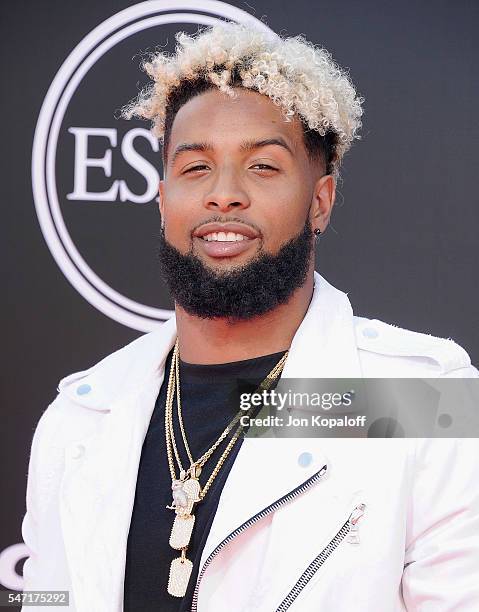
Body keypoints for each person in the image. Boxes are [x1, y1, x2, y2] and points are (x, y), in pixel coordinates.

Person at [21, 21, 479, 612]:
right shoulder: (83, 414)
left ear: (320, 200)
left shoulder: (421, 398)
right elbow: (46, 600)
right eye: (195, 168)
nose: (224, 194)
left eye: (263, 167)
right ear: (163, 202)